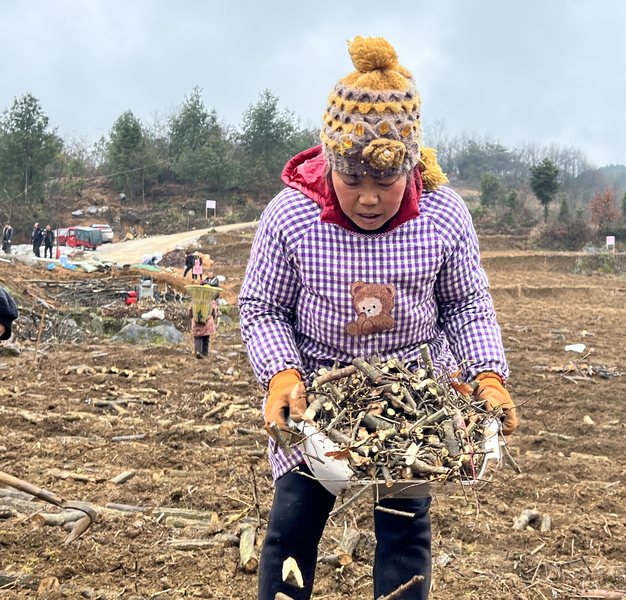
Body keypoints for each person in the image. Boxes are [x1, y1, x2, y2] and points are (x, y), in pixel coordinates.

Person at [238, 36, 518, 600]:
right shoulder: (291, 215)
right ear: (329, 164)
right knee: (292, 525)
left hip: (411, 403)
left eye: (385, 182)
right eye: (352, 181)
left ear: (411, 167)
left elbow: (467, 303)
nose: (368, 198)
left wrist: (487, 375)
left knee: (404, 534)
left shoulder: (442, 214)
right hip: (319, 396)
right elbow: (262, 306)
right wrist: (282, 375)